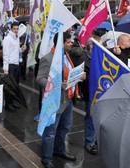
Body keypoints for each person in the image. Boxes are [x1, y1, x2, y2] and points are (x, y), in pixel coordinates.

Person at [36, 32, 85, 168]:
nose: (71, 44)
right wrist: (57, 85)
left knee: (64, 127)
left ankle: (59, 150)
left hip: (67, 98)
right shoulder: (48, 58)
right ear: (61, 44)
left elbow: (69, 74)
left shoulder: (67, 56)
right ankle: (46, 158)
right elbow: (40, 79)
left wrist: (80, 76)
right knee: (50, 131)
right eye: (68, 42)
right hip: (54, 100)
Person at [79, 37, 100, 155]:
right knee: (90, 118)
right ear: (91, 46)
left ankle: (96, 139)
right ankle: (89, 142)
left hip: (99, 92)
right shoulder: (84, 59)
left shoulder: (99, 57)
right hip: (90, 93)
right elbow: (80, 78)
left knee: (97, 117)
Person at [2, 23, 26, 111]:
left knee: (15, 85)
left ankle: (12, 102)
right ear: (11, 29)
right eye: (14, 29)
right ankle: (8, 104)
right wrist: (5, 68)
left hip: (16, 65)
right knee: (9, 86)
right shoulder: (7, 39)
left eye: (17, 29)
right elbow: (6, 54)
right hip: (10, 65)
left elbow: (16, 52)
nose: (16, 30)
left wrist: (22, 49)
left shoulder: (16, 38)